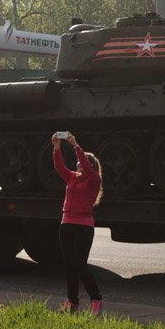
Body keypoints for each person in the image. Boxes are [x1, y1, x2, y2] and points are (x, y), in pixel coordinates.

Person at [52, 132, 104, 315]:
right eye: (79, 161)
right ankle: (72, 302)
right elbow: (60, 167)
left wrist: (76, 145)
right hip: (66, 223)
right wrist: (57, 147)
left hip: (84, 226)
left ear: (91, 165)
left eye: (83, 161)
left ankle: (96, 299)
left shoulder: (94, 179)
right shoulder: (73, 177)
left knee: (80, 265)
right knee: (69, 266)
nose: (79, 163)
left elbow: (88, 168)